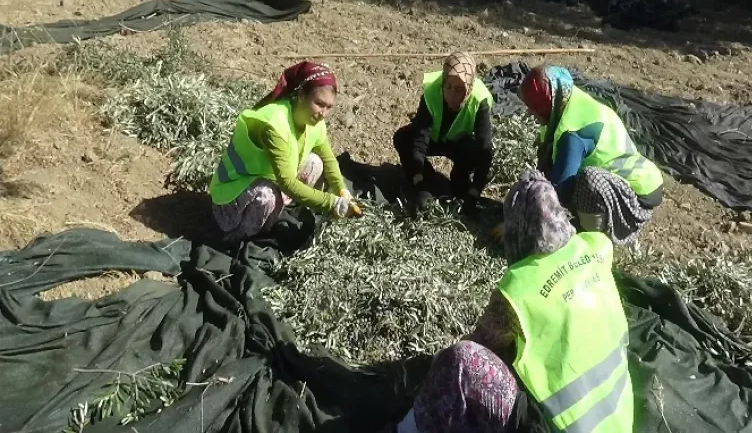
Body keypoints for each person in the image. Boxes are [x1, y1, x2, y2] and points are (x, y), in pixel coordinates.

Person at [390, 170, 633, 433]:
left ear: (518, 226)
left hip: (553, 427)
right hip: (617, 420)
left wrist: (437, 362)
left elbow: (482, 346)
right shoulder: (595, 249)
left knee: (460, 361)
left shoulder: (521, 287)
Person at [208, 61, 361, 244]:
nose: (324, 113)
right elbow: (287, 183)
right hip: (231, 199)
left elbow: (329, 160)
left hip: (268, 178)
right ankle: (238, 239)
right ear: (302, 95)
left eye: (329, 107)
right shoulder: (274, 124)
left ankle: (272, 218)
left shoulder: (314, 123)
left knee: (315, 163)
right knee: (266, 196)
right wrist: (332, 203)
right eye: (319, 104)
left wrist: (342, 191)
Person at [516, 64, 664, 246]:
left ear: (548, 102)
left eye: (535, 107)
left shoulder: (574, 133)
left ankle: (591, 241)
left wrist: (520, 226)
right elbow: (546, 165)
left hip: (637, 194)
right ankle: (585, 222)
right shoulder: (564, 103)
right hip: (615, 184)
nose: (531, 113)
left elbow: (558, 190)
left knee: (589, 180)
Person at [393, 52, 495, 215]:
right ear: (443, 83)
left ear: (469, 89)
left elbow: (486, 149)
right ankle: (426, 180)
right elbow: (420, 140)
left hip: (459, 143)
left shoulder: (479, 99)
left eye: (459, 89)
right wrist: (419, 185)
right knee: (404, 138)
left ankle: (460, 181)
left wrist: (474, 194)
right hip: (433, 139)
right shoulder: (432, 91)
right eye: (448, 87)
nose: (452, 95)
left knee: (478, 153)